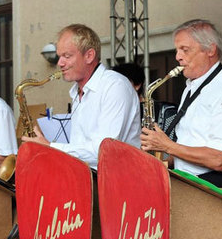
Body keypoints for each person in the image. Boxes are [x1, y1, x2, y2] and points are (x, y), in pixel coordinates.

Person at [139, 19, 222, 188]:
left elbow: (218, 159)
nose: (177, 57)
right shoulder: (193, 86)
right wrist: (160, 162)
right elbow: (191, 144)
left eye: (185, 50)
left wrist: (166, 145)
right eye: (177, 50)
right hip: (195, 179)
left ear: (210, 50)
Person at [22, 23, 141, 169]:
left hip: (118, 184)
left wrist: (50, 147)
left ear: (89, 56)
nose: (60, 63)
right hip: (90, 180)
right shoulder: (78, 92)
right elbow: (81, 148)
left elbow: (105, 150)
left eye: (67, 56)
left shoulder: (115, 86)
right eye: (59, 56)